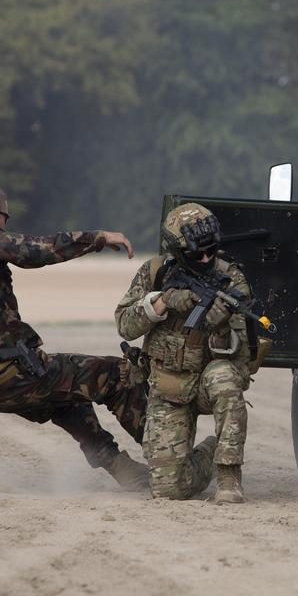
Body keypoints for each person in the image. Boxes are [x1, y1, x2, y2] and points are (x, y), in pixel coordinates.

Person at [0, 181, 148, 491]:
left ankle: (123, 469)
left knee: (68, 394)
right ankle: (170, 460)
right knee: (117, 375)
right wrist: (98, 238)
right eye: (6, 219)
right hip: (12, 374)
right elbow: (35, 249)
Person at [115, 203, 253, 504]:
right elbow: (124, 325)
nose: (205, 258)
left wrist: (220, 328)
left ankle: (229, 474)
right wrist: (162, 302)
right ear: (177, 251)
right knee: (168, 489)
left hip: (207, 381)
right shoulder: (154, 273)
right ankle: (209, 451)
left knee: (225, 377)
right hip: (169, 385)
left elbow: (241, 353)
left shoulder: (231, 279)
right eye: (196, 254)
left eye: (211, 251)